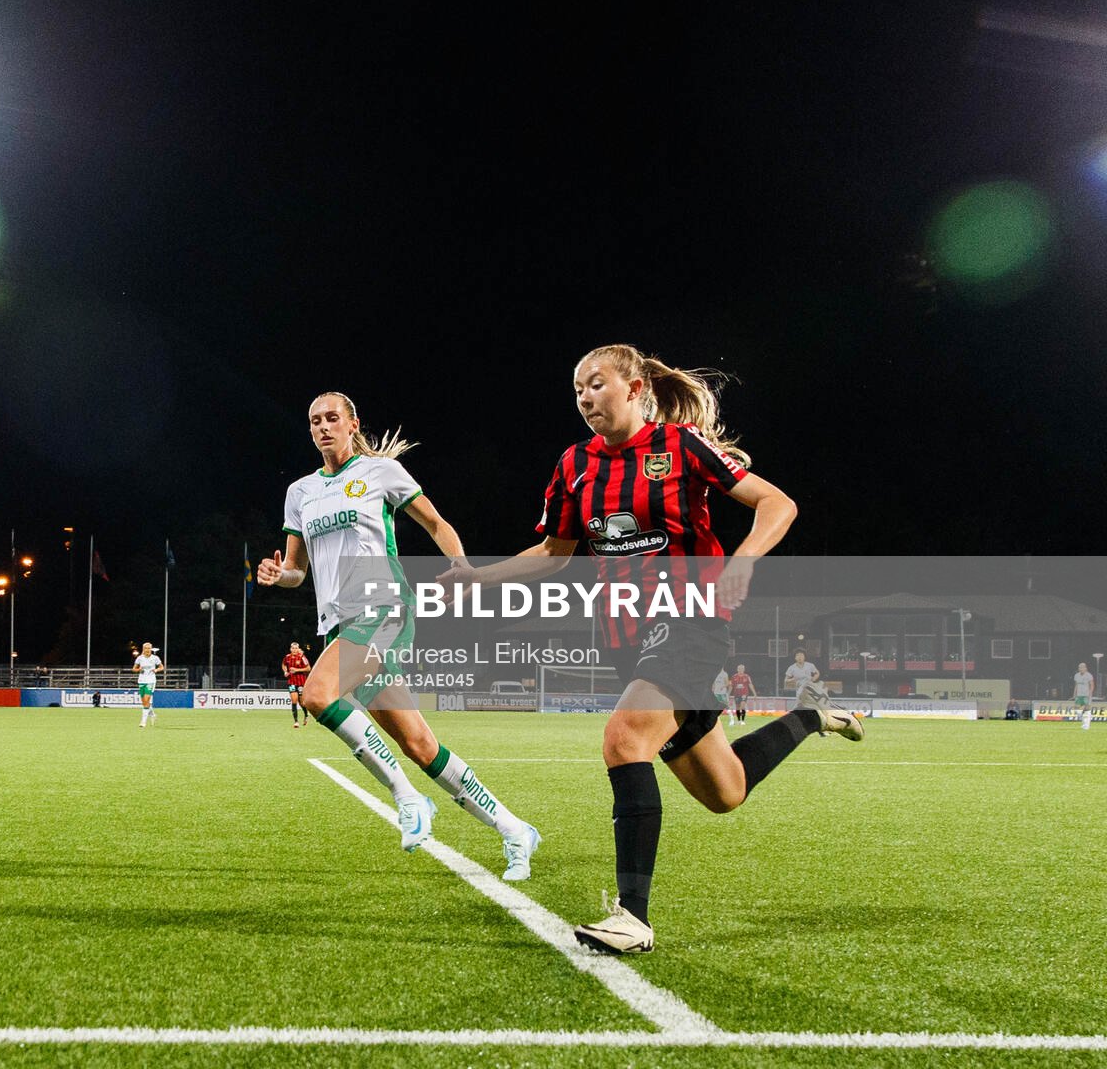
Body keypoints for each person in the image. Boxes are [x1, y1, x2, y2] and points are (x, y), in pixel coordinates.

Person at [460, 344, 859, 955]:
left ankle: (632, 917)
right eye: (577, 391)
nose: (585, 398)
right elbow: (555, 552)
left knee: (623, 738)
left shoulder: (681, 447)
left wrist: (744, 561)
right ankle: (809, 716)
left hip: (691, 621)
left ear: (636, 386)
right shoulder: (573, 465)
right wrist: (479, 578)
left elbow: (777, 503)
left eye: (596, 384)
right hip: (625, 638)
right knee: (724, 792)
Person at [257, 391, 541, 877]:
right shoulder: (300, 492)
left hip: (384, 607)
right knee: (419, 745)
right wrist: (276, 574)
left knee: (318, 694)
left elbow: (435, 521)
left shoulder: (380, 472)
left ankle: (407, 798)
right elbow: (297, 572)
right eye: (314, 421)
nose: (323, 426)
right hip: (339, 623)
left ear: (352, 423)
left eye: (332, 418)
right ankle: (514, 829)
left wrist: (461, 566)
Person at [281, 641, 311, 728]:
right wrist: (285, 671)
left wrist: (297, 670)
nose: (294, 650)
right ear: (290, 649)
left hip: (301, 682)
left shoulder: (302, 657)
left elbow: (308, 668)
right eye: (293, 648)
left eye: (296, 648)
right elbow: (283, 664)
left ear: (298, 649)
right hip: (292, 682)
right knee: (294, 701)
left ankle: (306, 714)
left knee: (301, 702)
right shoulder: (287, 657)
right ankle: (296, 721)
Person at [133, 642, 161, 727]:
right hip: (141, 681)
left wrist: (156, 670)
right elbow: (134, 669)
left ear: (151, 649)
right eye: (146, 648)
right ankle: (152, 714)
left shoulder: (155, 658)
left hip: (151, 680)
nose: (148, 650)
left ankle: (143, 721)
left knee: (146, 699)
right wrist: (139, 670)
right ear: (143, 649)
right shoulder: (139, 658)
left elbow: (161, 667)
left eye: (149, 648)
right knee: (144, 702)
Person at [1075, 662, 1095, 731]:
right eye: (1079, 667)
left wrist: (1090, 694)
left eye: (1082, 667)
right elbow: (1076, 685)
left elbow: (1092, 685)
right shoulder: (1076, 675)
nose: (1080, 669)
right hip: (1079, 695)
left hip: (1086, 695)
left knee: (1086, 710)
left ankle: (1086, 725)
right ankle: (1084, 723)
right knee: (1078, 710)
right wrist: (1074, 694)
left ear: (1085, 668)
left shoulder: (1089, 675)